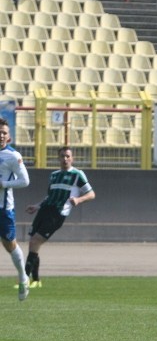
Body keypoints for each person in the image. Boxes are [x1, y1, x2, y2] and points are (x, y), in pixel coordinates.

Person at [24, 147, 95, 288]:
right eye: (62, 156)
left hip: (58, 213)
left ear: (72, 158)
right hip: (44, 210)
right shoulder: (54, 175)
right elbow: (50, 196)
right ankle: (36, 280)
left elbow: (92, 194)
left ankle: (24, 279)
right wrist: (37, 206)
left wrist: (79, 200)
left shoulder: (77, 174)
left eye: (68, 156)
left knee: (35, 241)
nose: (65, 159)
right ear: (58, 158)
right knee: (33, 243)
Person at [0, 118, 30, 301]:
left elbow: (25, 181)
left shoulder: (12, 156)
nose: (1, 135)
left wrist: (3, 183)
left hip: (4, 209)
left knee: (9, 245)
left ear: (9, 136)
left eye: (4, 132)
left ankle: (22, 277)